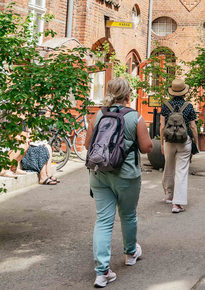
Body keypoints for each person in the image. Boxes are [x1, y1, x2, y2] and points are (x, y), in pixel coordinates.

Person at [86, 78, 154, 288]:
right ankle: (130, 252)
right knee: (128, 215)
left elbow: (88, 145)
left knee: (104, 221)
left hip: (99, 174)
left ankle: (102, 272)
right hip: (126, 175)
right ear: (128, 95)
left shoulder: (98, 114)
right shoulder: (134, 117)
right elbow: (147, 147)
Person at [161, 78, 199, 213]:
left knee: (169, 168)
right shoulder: (188, 106)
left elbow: (162, 126)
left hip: (169, 141)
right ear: (184, 92)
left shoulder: (165, 105)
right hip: (184, 140)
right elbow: (193, 126)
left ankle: (169, 196)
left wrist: (161, 143)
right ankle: (177, 204)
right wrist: (196, 142)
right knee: (181, 171)